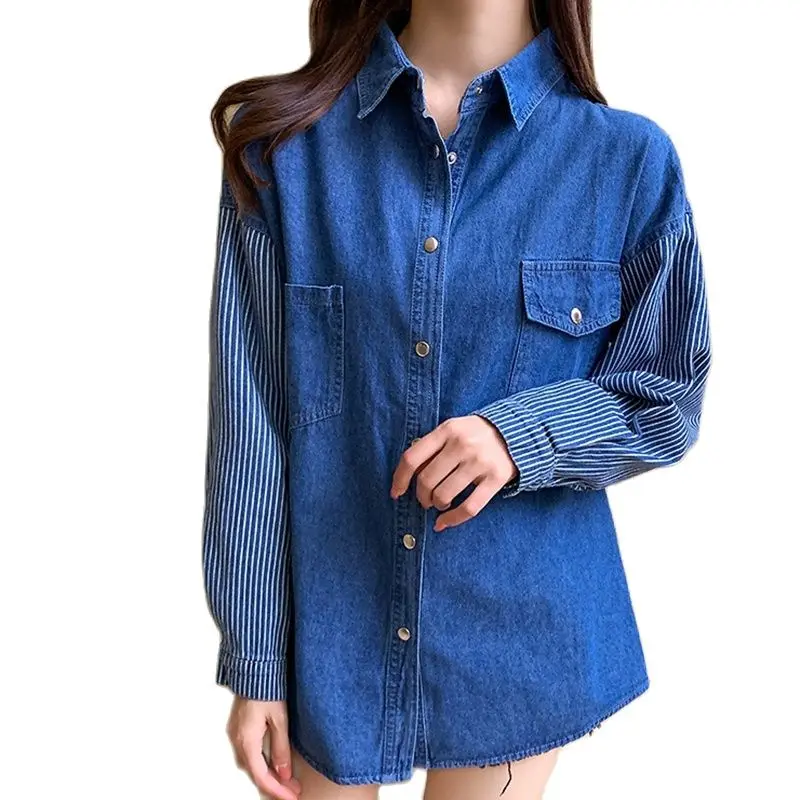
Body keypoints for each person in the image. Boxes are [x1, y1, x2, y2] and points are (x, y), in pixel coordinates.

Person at [201, 1, 712, 798]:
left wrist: (519, 437)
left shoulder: (625, 161)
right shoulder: (285, 150)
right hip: (330, 628)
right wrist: (256, 657)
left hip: (518, 641)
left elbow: (665, 395)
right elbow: (251, 423)